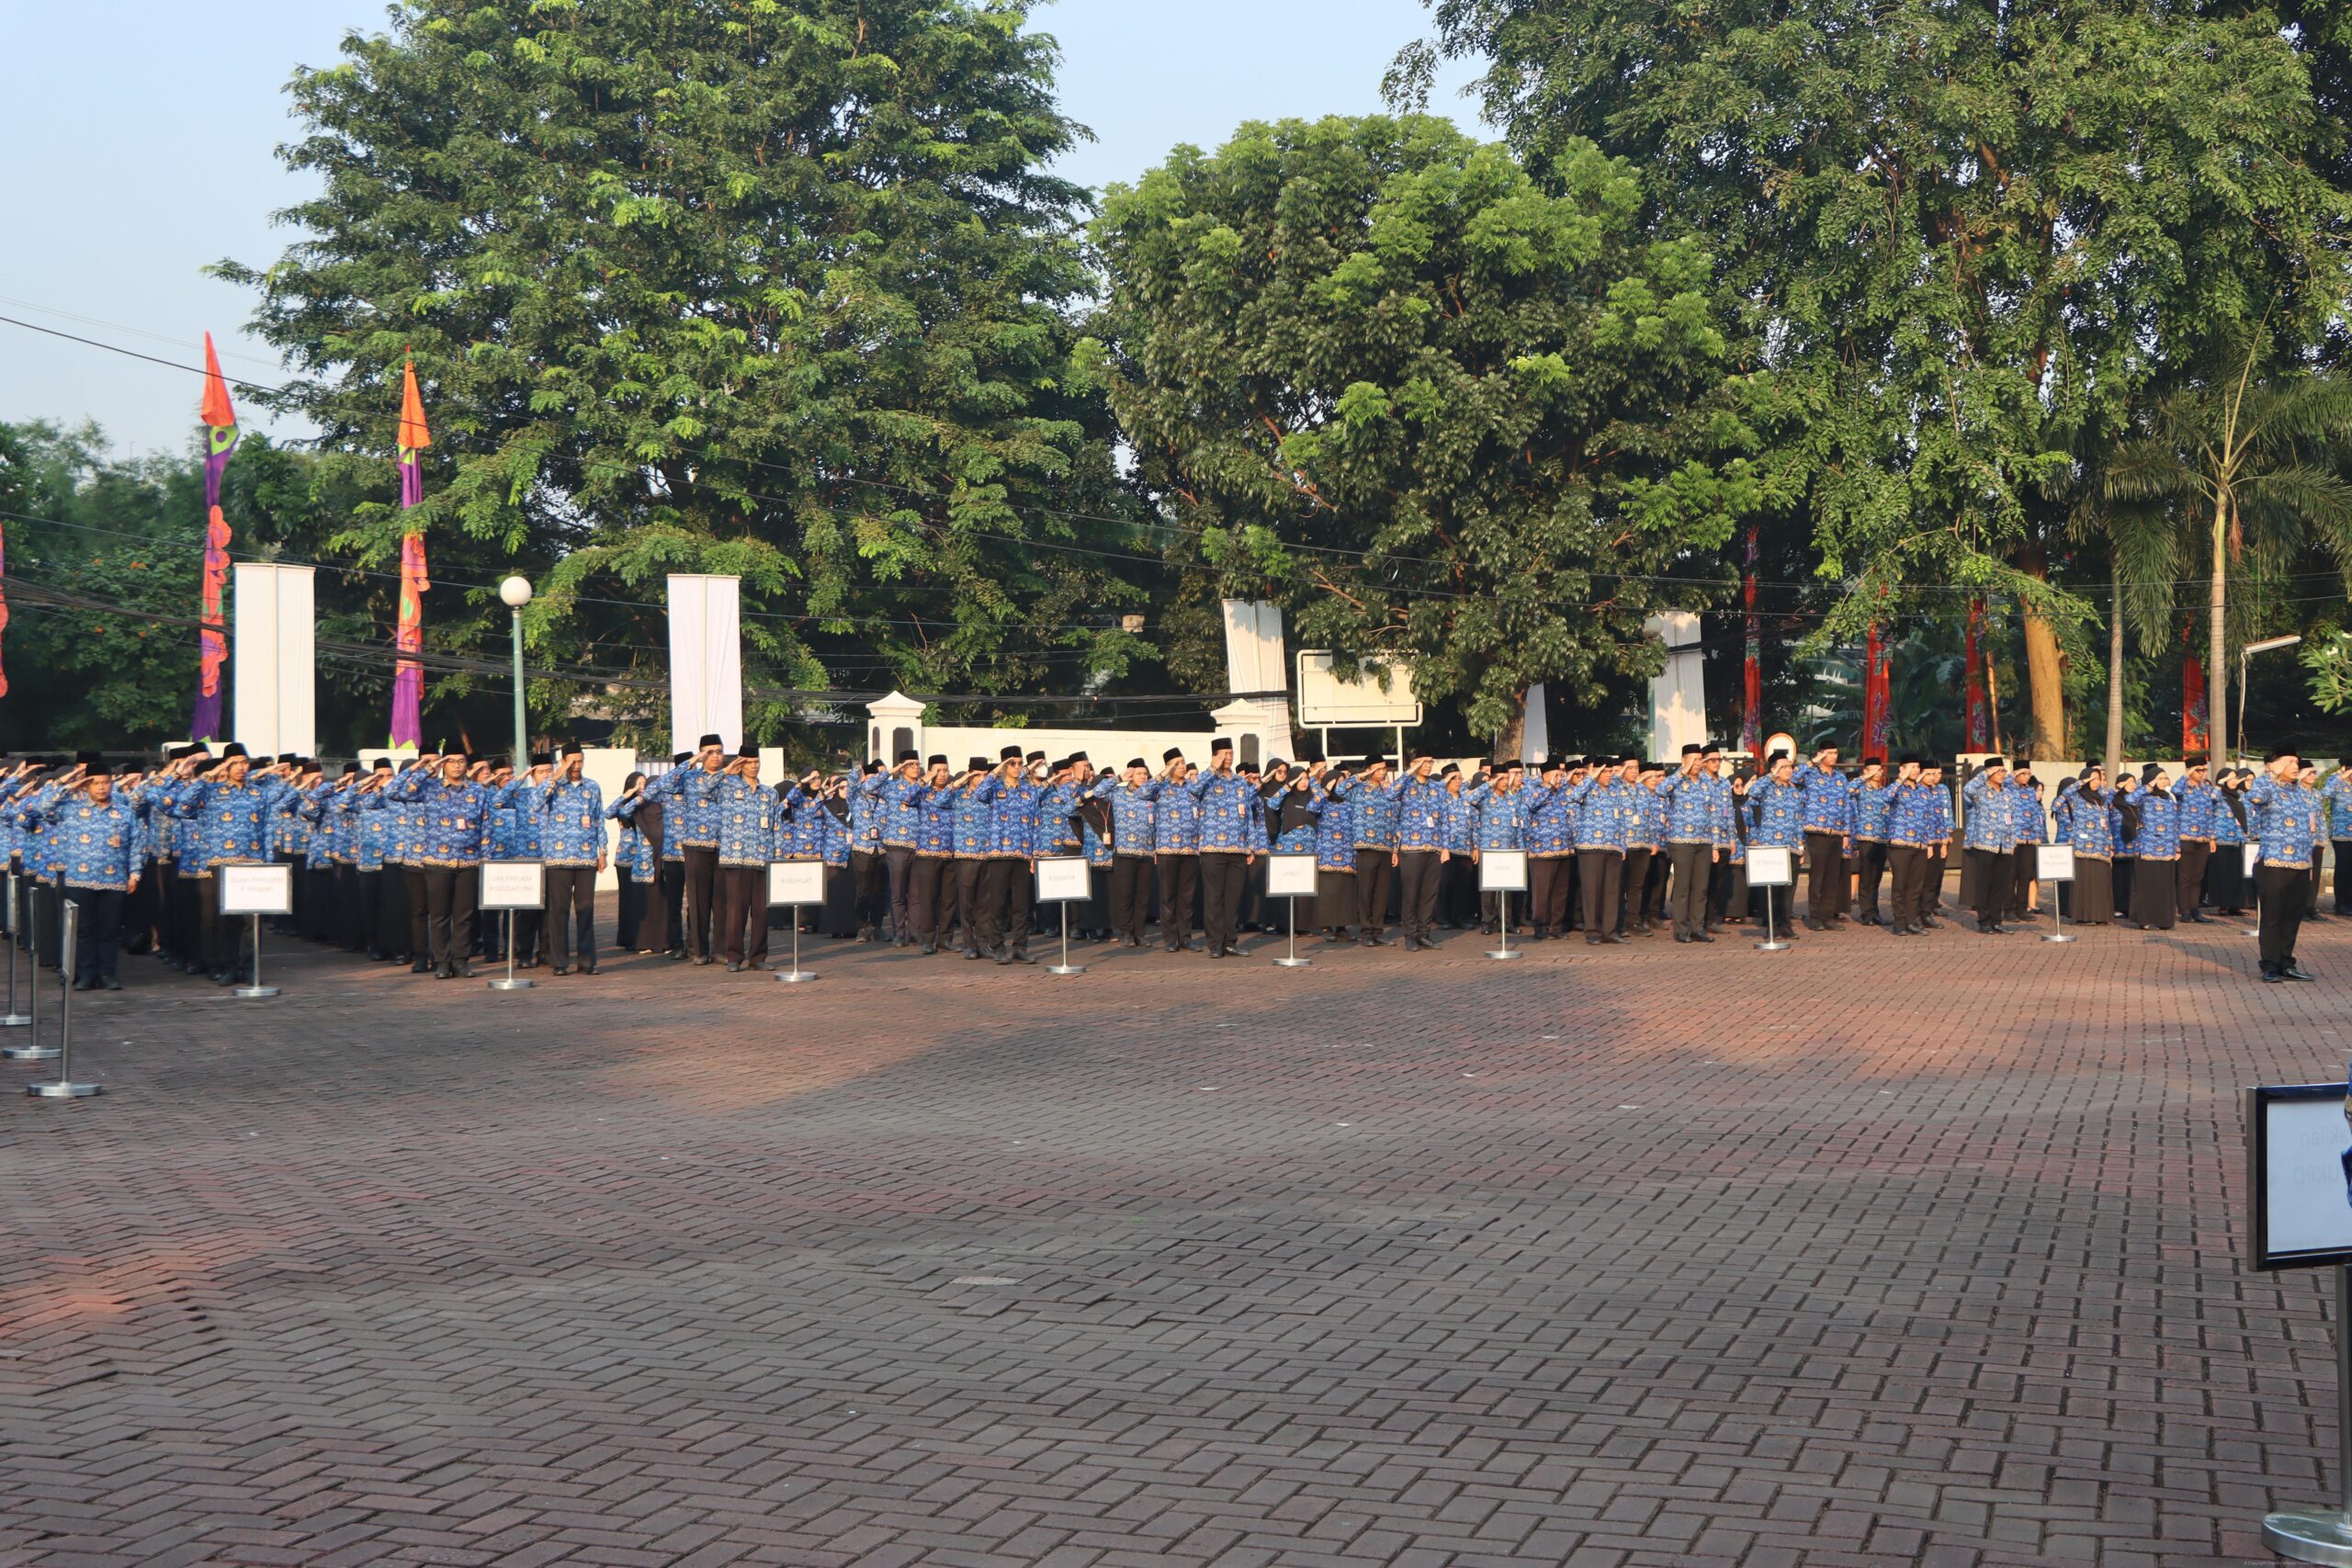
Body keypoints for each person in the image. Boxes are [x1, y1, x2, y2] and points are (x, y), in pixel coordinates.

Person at [17, 761, 144, 989]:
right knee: (84, 930)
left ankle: (107, 973)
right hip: (80, 878)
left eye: (106, 783)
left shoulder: (124, 811)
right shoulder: (71, 808)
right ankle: (85, 973)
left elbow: (136, 843)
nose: (102, 788)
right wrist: (69, 782)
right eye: (95, 783)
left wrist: (134, 874)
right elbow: (43, 806)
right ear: (86, 785)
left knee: (110, 930)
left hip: (114, 880)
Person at [382, 751, 491, 977]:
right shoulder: (430, 788)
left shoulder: (477, 790)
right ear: (443, 764)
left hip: (469, 861)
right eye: (451, 761)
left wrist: (486, 857)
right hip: (437, 861)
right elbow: (392, 791)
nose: (457, 766)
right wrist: (422, 768)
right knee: (440, 915)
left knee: (464, 915)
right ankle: (442, 961)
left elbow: (486, 823)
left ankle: (461, 960)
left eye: (461, 762)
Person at [512, 741, 606, 975]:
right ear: (563, 761)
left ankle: (587, 962)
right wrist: (556, 776)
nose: (576, 765)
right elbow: (534, 804)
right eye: (571, 760)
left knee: (585, 910)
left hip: (585, 858)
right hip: (558, 859)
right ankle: (560, 962)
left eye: (580, 760)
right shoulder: (552, 786)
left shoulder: (592, 787)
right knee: (558, 913)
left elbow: (598, 820)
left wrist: (602, 851)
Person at [645, 734, 727, 962]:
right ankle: (698, 951)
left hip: (725, 845)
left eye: (719, 751)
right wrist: (692, 761)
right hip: (695, 847)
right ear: (701, 754)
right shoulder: (690, 777)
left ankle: (721, 950)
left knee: (722, 903)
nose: (715, 756)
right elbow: (657, 789)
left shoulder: (730, 777)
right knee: (697, 903)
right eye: (709, 752)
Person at [2248, 746, 2321, 981]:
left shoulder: (2301, 792)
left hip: (2300, 864)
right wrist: (2271, 774)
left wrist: (2308, 863)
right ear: (2276, 764)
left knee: (2292, 917)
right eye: (2290, 762)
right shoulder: (2266, 786)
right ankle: (2269, 965)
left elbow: (2308, 830)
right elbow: (2255, 797)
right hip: (2274, 863)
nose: (2295, 766)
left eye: (2296, 762)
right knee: (2272, 916)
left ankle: (2286, 963)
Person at [1190, 738, 1265, 958]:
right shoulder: (1207, 779)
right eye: (1224, 753)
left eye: (1231, 753)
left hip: (1237, 848)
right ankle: (1215, 945)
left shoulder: (1240, 783)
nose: (1228, 757)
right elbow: (1193, 790)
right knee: (1214, 898)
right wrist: (1213, 767)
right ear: (1215, 755)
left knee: (1233, 899)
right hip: (1213, 848)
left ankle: (1230, 942)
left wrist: (1250, 846)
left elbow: (1248, 818)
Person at [707, 743, 779, 971]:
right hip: (736, 859)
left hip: (762, 858)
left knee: (761, 912)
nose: (754, 766)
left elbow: (777, 826)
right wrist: (726, 771)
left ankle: (758, 958)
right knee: (736, 912)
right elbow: (702, 790)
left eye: (756, 762)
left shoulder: (770, 793)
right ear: (741, 764)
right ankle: (733, 957)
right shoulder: (727, 788)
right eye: (749, 762)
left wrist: (777, 856)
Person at [1657, 742, 1733, 943]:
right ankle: (1681, 929)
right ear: (1685, 760)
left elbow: (1714, 815)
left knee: (1701, 887)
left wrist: (1716, 844)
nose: (1699, 764)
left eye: (1701, 760)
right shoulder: (1677, 780)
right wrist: (1682, 770)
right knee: (1683, 886)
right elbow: (1660, 790)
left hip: (1705, 842)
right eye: (1696, 760)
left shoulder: (1706, 783)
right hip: (1682, 841)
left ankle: (1697, 927)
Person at [1572, 757, 1637, 944]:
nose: (1609, 775)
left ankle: (1610, 931)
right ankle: (1592, 931)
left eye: (1610, 771)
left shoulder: (1615, 790)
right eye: (1604, 771)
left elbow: (1623, 819)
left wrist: (1623, 845)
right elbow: (1574, 796)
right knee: (1592, 891)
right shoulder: (1587, 787)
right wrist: (1591, 776)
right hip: (1591, 847)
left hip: (1614, 847)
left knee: (1612, 892)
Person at [1390, 751, 1448, 952]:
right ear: (1413, 764)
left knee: (1429, 895)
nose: (1428, 765)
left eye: (1430, 762)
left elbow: (1445, 818)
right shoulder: (1406, 785)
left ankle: (1424, 933)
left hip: (1433, 847)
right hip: (1411, 848)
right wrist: (1410, 772)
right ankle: (1410, 935)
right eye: (1423, 762)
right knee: (1411, 894)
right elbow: (1390, 793)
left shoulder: (1436, 787)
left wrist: (1445, 847)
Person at [1792, 745, 1853, 929]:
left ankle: (1828, 917)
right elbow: (1794, 778)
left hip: (1836, 832)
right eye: (1829, 753)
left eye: (1835, 753)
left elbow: (1847, 806)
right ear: (1821, 754)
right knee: (1817, 876)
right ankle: (1816, 917)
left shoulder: (1841, 777)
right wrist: (1813, 761)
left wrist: (1847, 832)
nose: (1833, 756)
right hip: (1817, 831)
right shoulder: (1810, 773)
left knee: (1833, 877)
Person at [1745, 751, 1806, 937]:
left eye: (1790, 766)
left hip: (1791, 846)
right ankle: (1771, 925)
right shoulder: (1767, 788)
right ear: (1773, 769)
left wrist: (1801, 846)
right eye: (1784, 767)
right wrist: (1772, 775)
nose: (1789, 770)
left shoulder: (1795, 792)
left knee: (1789, 889)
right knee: (1772, 888)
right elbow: (1752, 791)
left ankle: (1785, 925)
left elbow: (1798, 820)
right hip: (1771, 845)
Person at [1342, 756, 1400, 947]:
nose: (1383, 772)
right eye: (1378, 769)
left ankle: (1378, 930)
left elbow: (1394, 821)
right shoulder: (1358, 789)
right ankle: (1366, 931)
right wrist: (1362, 775)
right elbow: (1339, 790)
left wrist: (1394, 848)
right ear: (1369, 770)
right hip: (1366, 846)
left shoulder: (1388, 792)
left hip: (1385, 846)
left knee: (1382, 892)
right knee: (1366, 891)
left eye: (1384, 768)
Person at [2056, 767, 2116, 926]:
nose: (2096, 783)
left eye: (2098, 779)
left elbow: (2107, 824)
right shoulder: (2076, 797)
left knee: (2100, 882)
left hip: (2101, 846)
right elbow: (2058, 802)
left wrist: (2110, 845)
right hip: (2082, 846)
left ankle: (2101, 915)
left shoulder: (2101, 800)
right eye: (2092, 779)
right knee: (2085, 881)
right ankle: (2084, 916)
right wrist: (2081, 783)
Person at [611, 772, 657, 952]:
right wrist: (628, 795)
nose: (642, 787)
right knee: (626, 900)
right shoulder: (624, 805)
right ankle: (626, 938)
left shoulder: (645, 805)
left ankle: (639, 938)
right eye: (638, 784)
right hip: (624, 859)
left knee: (639, 902)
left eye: (644, 783)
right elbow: (609, 812)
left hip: (641, 860)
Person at [2176, 755, 2219, 923]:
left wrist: (2212, 838)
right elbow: (2175, 790)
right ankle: (2184, 910)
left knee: (2197, 876)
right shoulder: (2183, 787)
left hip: (2203, 839)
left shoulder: (2206, 789)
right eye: (2198, 770)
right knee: (2185, 876)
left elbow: (2212, 815)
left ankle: (2195, 909)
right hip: (2185, 836)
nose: (2202, 773)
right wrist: (2187, 775)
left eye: (2204, 770)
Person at [2207, 767, 2251, 915]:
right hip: (2221, 839)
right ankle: (2223, 905)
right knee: (2223, 874)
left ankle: (2235, 904)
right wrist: (2219, 785)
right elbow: (2210, 800)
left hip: (2238, 839)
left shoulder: (2240, 796)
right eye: (2229, 779)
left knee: (2236, 874)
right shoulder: (2219, 795)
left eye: (2235, 778)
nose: (2233, 781)